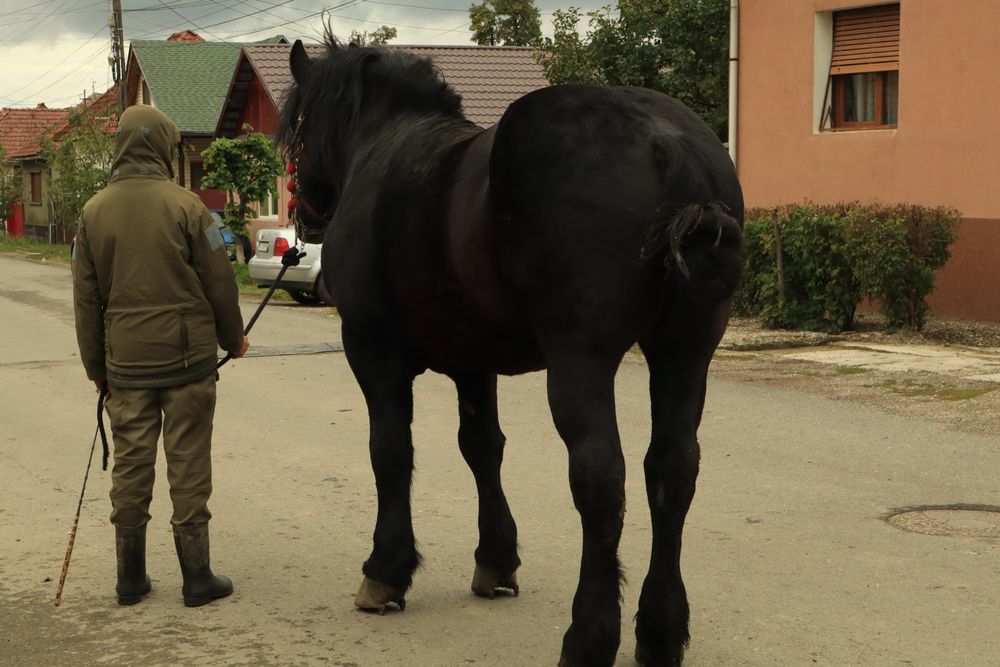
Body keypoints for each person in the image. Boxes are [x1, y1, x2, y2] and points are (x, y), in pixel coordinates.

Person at [72, 104, 249, 607]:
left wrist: (96, 369)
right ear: (165, 147)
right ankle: (197, 578)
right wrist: (233, 340)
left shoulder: (92, 212)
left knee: (130, 464)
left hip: (124, 365)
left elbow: (86, 301)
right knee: (188, 462)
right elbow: (220, 281)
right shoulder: (190, 207)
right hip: (188, 359)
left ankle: (130, 579)